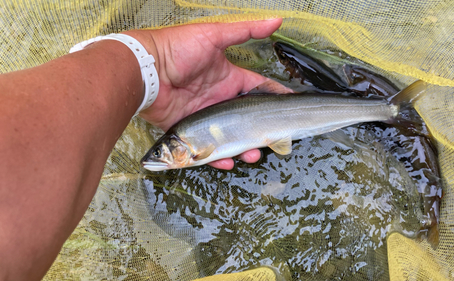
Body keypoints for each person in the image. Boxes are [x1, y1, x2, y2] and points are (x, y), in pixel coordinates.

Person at [0, 18, 283, 280]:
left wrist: (154, 59)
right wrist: (153, 57)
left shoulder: (193, 147)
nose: (157, 158)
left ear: (179, 148)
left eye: (160, 153)